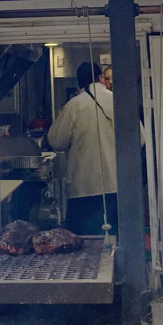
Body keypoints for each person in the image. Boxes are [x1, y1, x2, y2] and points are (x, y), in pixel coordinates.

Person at [47, 61, 118, 235]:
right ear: (100, 78)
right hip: (116, 186)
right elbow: (139, 139)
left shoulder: (74, 105)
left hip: (83, 187)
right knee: (114, 241)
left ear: (79, 82)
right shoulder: (116, 101)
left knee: (85, 243)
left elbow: (56, 141)